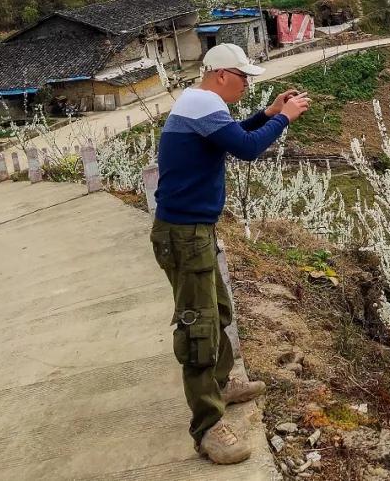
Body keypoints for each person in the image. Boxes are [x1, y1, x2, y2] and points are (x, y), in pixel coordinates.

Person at [149, 43, 309, 465]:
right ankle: (207, 427)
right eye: (243, 78)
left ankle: (219, 385)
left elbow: (232, 135)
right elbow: (247, 148)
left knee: (216, 311)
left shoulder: (198, 102)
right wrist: (286, 119)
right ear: (222, 74)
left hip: (191, 230)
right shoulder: (202, 103)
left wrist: (271, 113)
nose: (246, 85)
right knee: (198, 328)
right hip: (184, 235)